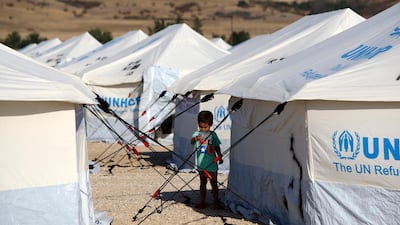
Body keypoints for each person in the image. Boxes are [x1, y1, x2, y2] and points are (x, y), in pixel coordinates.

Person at [190, 110, 223, 209]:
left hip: (212, 163)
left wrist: (219, 156)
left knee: (214, 183)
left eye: (206, 127)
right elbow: (191, 141)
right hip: (201, 164)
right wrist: (195, 139)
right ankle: (202, 201)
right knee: (202, 183)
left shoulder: (213, 135)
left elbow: (217, 146)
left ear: (210, 125)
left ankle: (216, 202)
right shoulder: (197, 134)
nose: (203, 129)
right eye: (201, 127)